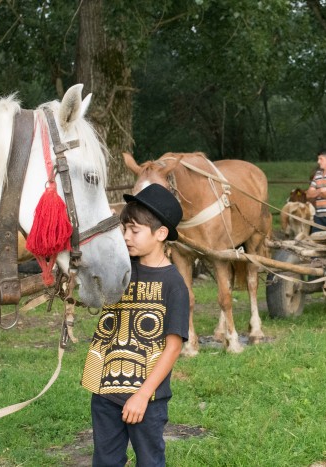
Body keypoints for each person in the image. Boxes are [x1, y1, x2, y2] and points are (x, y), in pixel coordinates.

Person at [81, 183, 189, 467]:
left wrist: (141, 396)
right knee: (105, 461)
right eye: (123, 229)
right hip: (105, 390)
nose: (126, 237)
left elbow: (173, 348)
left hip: (147, 398)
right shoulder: (119, 269)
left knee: (150, 462)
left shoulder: (174, 285)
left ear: (161, 234)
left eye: (134, 231)